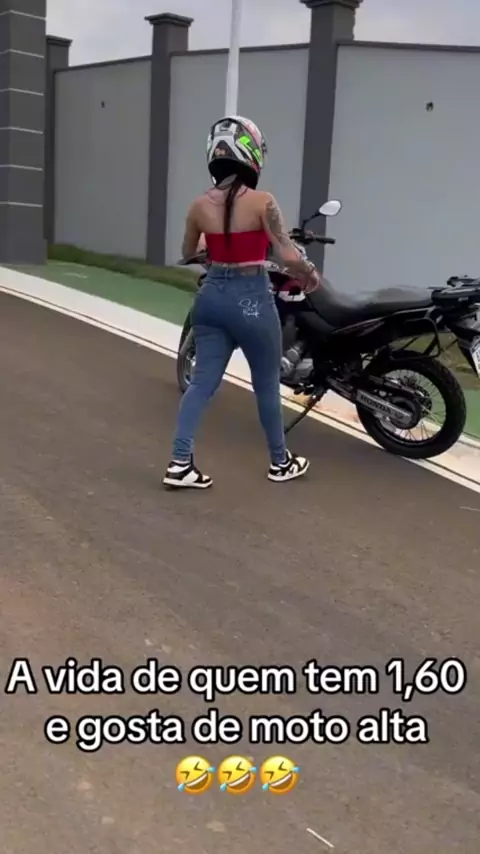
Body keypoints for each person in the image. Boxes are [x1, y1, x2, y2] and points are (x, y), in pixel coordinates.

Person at [163, 115, 320, 490]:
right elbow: (288, 255)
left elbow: (189, 252)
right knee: (265, 384)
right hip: (252, 300)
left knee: (202, 383)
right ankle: (280, 462)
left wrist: (215, 247)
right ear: (251, 154)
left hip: (211, 299)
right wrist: (310, 275)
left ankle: (180, 463)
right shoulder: (264, 203)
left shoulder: (198, 206)